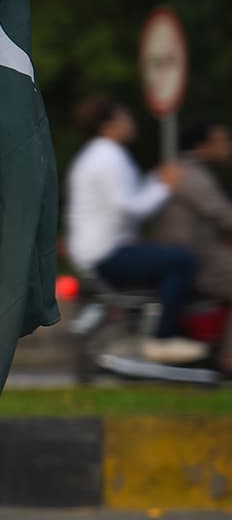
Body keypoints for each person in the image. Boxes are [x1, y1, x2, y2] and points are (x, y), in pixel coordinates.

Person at [64, 96, 205, 364]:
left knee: (170, 258)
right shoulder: (109, 156)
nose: (131, 123)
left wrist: (156, 180)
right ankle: (162, 338)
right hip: (108, 254)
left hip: (99, 251)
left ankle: (157, 329)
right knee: (183, 261)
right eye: (125, 117)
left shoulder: (98, 155)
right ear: (109, 124)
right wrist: (167, 186)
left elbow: (130, 196)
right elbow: (132, 206)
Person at [152, 122, 232, 374]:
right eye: (221, 140)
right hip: (196, 258)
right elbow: (222, 214)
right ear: (202, 146)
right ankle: (228, 357)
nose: (227, 146)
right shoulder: (192, 175)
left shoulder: (190, 171)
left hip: (196, 254)